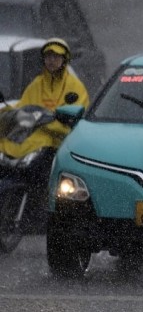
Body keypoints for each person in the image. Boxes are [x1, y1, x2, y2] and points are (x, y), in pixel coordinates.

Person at [0, 38, 90, 231]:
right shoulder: (37, 83)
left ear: (64, 59)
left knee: (44, 174)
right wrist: (8, 111)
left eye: (56, 57)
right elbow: (25, 106)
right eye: (48, 56)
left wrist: (54, 123)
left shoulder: (74, 87)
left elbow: (76, 115)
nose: (51, 61)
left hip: (58, 143)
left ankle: (43, 215)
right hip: (34, 138)